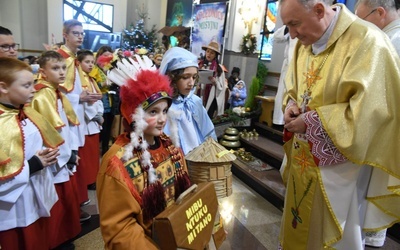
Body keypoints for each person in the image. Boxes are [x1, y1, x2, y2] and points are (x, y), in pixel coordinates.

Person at [279, 1, 400, 249]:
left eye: (294, 24)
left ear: (320, 11)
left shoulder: (368, 41)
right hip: (303, 158)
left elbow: (373, 113)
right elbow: (295, 89)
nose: (292, 34)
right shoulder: (304, 44)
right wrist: (290, 105)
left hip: (342, 169)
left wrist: (312, 122)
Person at [97, 55, 191, 249]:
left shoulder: (170, 148)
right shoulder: (117, 162)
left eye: (164, 111)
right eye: (153, 112)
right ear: (134, 114)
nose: (162, 119)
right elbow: (120, 229)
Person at [0, 58, 63, 249]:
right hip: (12, 207)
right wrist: (34, 164)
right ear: (3, 87)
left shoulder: (27, 112)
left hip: (36, 192)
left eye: (33, 83)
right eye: (27, 85)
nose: (34, 90)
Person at [354, 0, 400, 247]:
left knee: (366, 200)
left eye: (362, 20)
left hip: (381, 139)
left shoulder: (390, 43)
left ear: (380, 13)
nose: (360, 27)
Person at [31, 50, 82, 248]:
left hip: (65, 153)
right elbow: (48, 131)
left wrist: (73, 151)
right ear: (43, 72)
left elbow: (67, 126)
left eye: (63, 68)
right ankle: (56, 241)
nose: (62, 72)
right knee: (56, 202)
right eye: (55, 68)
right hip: (54, 159)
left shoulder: (56, 92)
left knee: (65, 201)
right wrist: (64, 155)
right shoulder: (43, 95)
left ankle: (64, 238)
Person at [57, 19, 101, 211]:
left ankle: (78, 203)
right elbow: (57, 92)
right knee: (70, 159)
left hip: (78, 114)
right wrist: (79, 98)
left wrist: (86, 97)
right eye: (76, 33)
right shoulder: (61, 60)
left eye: (82, 33)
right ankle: (72, 206)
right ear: (65, 35)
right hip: (66, 117)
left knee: (78, 160)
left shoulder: (73, 59)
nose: (80, 36)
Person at [160, 47, 217, 155]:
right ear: (172, 78)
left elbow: (208, 131)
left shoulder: (195, 102)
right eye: (185, 77)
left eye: (194, 77)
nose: (191, 83)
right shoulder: (164, 107)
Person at [76, 49, 104, 191]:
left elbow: (98, 98)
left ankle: (94, 178)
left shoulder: (91, 79)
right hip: (87, 122)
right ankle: (87, 180)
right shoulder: (79, 80)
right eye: (87, 62)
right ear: (79, 63)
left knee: (94, 154)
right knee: (86, 155)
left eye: (92, 62)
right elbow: (86, 102)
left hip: (94, 122)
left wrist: (100, 113)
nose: (91, 65)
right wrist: (95, 115)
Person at [91, 45, 120, 156]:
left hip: (111, 100)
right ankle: (96, 151)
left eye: (109, 55)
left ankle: (105, 151)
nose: (107, 57)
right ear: (99, 56)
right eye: (105, 55)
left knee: (108, 126)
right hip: (100, 101)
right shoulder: (95, 69)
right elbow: (91, 83)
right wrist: (103, 83)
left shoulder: (110, 68)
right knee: (101, 128)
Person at [272, 25, 297, 126]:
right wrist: (289, 25)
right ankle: (280, 121)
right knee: (283, 93)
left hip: (303, 66)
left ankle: (292, 119)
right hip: (288, 66)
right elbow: (276, 37)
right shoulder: (290, 26)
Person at [198, 41, 226, 118]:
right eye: (208, 51)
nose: (209, 54)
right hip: (199, 94)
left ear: (215, 55)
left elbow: (221, 87)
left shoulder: (219, 69)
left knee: (207, 118)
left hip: (211, 97)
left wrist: (215, 82)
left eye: (212, 53)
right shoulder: (199, 65)